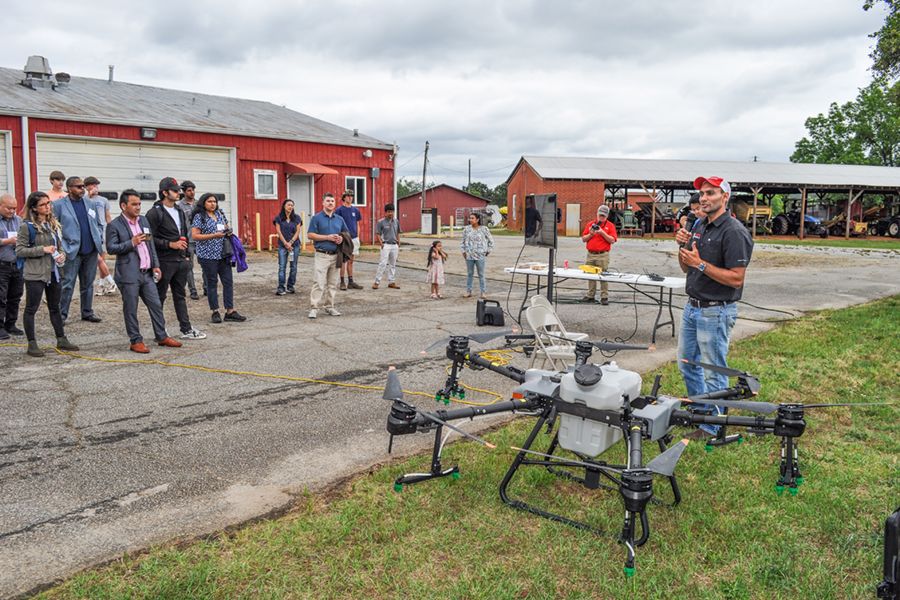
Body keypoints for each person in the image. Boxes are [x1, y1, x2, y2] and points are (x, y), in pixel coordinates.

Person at [675, 176, 754, 438]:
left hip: (716, 310)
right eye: (702, 193)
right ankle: (699, 413)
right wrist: (682, 248)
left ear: (724, 197)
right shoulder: (699, 224)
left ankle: (714, 425)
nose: (704, 198)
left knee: (712, 369)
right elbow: (686, 266)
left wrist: (699, 264)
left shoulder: (734, 231)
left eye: (711, 193)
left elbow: (736, 278)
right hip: (692, 307)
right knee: (687, 364)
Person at [106, 190, 183, 353]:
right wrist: (131, 242)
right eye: (134, 204)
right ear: (123, 205)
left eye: (139, 204)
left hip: (147, 273)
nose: (138, 207)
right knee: (131, 308)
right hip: (129, 274)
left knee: (156, 304)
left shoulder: (144, 220)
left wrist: (155, 265)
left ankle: (162, 336)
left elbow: (150, 245)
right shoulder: (115, 225)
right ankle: (135, 340)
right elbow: (111, 248)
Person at [15, 191, 78, 357]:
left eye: (48, 203)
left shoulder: (53, 224)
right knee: (31, 308)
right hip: (35, 274)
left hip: (53, 272)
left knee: (54, 307)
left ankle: (61, 338)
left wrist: (61, 254)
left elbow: (58, 245)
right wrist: (42, 249)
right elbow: (20, 250)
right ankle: (32, 343)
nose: (47, 207)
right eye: (43, 204)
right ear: (34, 208)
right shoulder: (26, 226)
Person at [146, 177, 206, 340]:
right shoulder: (154, 213)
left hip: (180, 261)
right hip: (164, 261)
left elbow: (184, 234)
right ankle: (160, 332)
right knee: (160, 297)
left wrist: (186, 256)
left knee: (180, 295)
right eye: (174, 190)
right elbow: (148, 238)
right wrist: (169, 244)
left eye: (178, 190)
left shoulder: (179, 211)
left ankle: (186, 329)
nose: (178, 193)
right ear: (164, 193)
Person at [52, 176, 104, 323]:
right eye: (79, 186)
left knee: (88, 284)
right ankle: (61, 315)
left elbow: (99, 223)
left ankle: (87, 312)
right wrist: (62, 247)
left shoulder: (90, 203)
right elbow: (53, 228)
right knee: (67, 284)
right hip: (72, 251)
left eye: (83, 186)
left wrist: (99, 237)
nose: (83, 189)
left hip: (90, 250)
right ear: (69, 189)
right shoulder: (59, 205)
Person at [191, 193, 246, 324]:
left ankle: (230, 311)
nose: (212, 204)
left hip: (223, 254)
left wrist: (229, 232)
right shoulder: (200, 217)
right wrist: (213, 236)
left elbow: (226, 227)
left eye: (214, 201)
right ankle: (215, 311)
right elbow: (195, 236)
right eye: (209, 201)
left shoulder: (220, 214)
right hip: (207, 255)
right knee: (212, 283)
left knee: (228, 282)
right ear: (203, 203)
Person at [306, 192, 348, 319]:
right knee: (319, 282)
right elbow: (310, 235)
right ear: (323, 203)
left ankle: (330, 306)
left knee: (332, 283)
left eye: (332, 201)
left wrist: (341, 238)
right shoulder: (316, 218)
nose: (330, 203)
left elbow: (346, 233)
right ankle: (314, 308)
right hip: (322, 255)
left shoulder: (339, 219)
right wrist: (327, 237)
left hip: (336, 255)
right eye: (328, 201)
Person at [84, 176, 118, 297]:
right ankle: (111, 282)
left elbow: (107, 216)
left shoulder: (103, 200)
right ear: (87, 187)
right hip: (89, 232)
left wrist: (112, 231)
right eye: (92, 185)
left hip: (102, 231)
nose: (95, 187)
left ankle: (101, 285)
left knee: (101, 260)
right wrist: (88, 195)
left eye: (96, 185)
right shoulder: (83, 199)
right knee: (97, 259)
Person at [580, 205, 618, 305]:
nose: (601, 218)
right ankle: (590, 295)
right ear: (597, 214)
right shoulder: (590, 224)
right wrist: (591, 234)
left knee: (603, 275)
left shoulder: (610, 226)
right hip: (591, 254)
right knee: (590, 275)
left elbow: (613, 240)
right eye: (600, 215)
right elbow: (584, 239)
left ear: (607, 216)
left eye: (604, 216)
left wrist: (602, 233)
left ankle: (604, 296)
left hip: (603, 255)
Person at [0, 194, 25, 339]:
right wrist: (7, 241)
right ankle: (0, 327)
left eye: (14, 208)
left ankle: (11, 323)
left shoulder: (18, 220)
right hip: (2, 264)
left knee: (15, 296)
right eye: (9, 208)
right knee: (1, 297)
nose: (12, 211)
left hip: (18, 264)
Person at [177, 180, 202, 300]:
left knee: (205, 265)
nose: (192, 192)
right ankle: (193, 291)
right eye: (189, 190)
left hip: (201, 239)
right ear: (184, 191)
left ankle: (207, 288)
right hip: (188, 240)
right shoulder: (179, 206)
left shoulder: (199, 204)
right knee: (189, 266)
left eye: (193, 190)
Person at [460, 212, 494, 298]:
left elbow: (491, 241)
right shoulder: (466, 229)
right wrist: (463, 251)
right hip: (469, 255)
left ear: (477, 220)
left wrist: (488, 250)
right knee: (470, 273)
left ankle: (483, 292)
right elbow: (462, 241)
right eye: (470, 218)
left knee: (481, 274)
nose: (470, 220)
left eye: (472, 218)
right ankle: (468, 291)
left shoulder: (484, 229)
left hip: (480, 255)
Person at [335, 190, 363, 290]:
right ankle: (342, 282)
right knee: (344, 260)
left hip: (354, 238)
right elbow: (336, 224)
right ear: (344, 197)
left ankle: (351, 282)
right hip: (344, 238)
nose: (350, 197)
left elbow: (357, 224)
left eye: (352, 196)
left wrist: (357, 236)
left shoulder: (356, 210)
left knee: (351, 261)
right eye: (348, 196)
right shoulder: (339, 210)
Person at [273, 198, 302, 295]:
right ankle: (281, 287)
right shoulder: (278, 218)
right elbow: (279, 232)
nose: (291, 207)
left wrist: (291, 242)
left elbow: (298, 231)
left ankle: (290, 286)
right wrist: (286, 243)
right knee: (282, 266)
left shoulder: (297, 218)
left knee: (293, 266)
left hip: (295, 246)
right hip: (282, 245)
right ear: (284, 206)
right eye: (289, 205)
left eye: (292, 205)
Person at [372, 203, 401, 290]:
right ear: (385, 212)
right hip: (386, 245)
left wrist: (399, 242)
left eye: (392, 211)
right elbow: (377, 233)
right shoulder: (381, 222)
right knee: (383, 264)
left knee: (393, 264)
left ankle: (391, 282)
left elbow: (398, 232)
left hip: (394, 245)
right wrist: (381, 243)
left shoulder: (396, 221)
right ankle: (377, 282)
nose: (390, 213)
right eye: (388, 212)